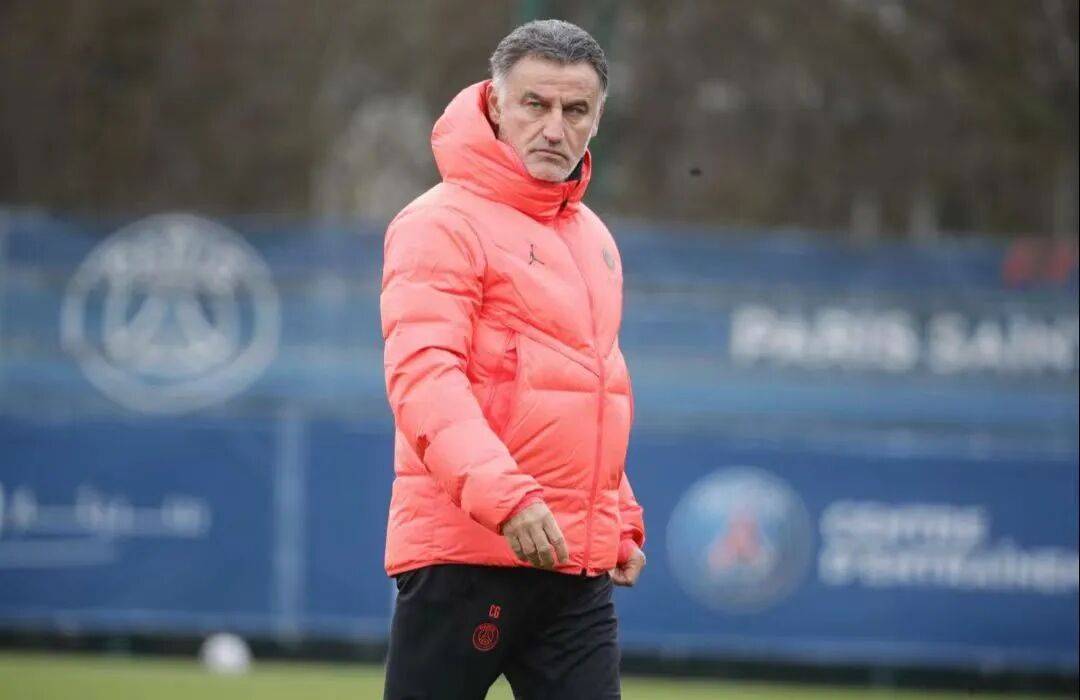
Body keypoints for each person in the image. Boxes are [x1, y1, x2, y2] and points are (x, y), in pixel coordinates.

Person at [380, 19, 645, 700]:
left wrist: (615, 514)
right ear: (496, 105)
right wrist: (508, 500)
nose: (555, 128)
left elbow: (591, 388)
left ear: (598, 120)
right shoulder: (440, 223)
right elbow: (424, 379)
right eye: (535, 104)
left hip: (572, 568)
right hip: (465, 555)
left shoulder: (593, 236)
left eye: (575, 110)